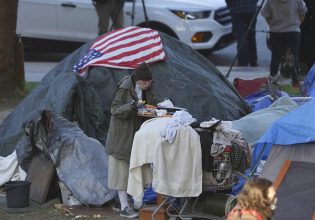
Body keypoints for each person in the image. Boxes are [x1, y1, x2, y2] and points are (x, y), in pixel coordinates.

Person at [105, 62, 160, 218]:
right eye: (147, 82)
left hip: (137, 135)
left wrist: (156, 107)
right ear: (139, 80)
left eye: (150, 82)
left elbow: (152, 103)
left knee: (139, 168)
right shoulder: (124, 88)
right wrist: (131, 106)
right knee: (120, 171)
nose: (149, 84)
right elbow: (114, 110)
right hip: (121, 136)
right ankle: (123, 205)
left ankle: (137, 202)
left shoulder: (148, 88)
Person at [261, 0, 308, 87]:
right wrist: (296, 24)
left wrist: (273, 24)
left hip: (275, 32)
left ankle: (273, 80)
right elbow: (303, 12)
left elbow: (266, 15)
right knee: (294, 56)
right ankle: (295, 82)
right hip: (293, 31)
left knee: (275, 57)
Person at [226, 0, 258, 67]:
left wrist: (230, 6)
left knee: (240, 37)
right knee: (251, 35)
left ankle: (243, 63)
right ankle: (253, 61)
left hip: (237, 8)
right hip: (251, 8)